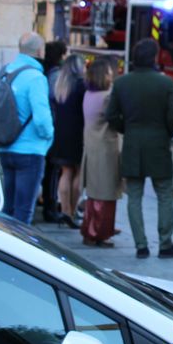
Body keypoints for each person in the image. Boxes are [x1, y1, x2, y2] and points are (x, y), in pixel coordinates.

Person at [106, 36, 173, 258]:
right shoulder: (166, 83)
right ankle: (165, 242)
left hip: (133, 144)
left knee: (134, 196)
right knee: (164, 194)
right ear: (155, 57)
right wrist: (166, 134)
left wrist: (127, 129)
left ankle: (141, 244)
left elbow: (111, 115)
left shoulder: (122, 83)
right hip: (159, 144)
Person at [0, 32, 55, 224]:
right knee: (23, 211)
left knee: (8, 207)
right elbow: (42, 119)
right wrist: (49, 137)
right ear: (40, 51)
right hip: (30, 150)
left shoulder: (4, 72)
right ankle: (15, 251)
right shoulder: (35, 78)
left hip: (6, 147)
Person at [79, 56, 123, 247]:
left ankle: (91, 227)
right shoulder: (107, 97)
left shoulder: (88, 94)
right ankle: (98, 231)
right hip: (106, 147)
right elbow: (117, 118)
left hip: (91, 145)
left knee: (94, 193)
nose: (111, 75)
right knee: (105, 194)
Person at [48, 53, 87, 227]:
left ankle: (64, 210)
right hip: (78, 132)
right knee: (79, 172)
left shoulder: (60, 85)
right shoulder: (82, 86)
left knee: (65, 172)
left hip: (61, 132)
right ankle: (72, 211)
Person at [38, 39, 68, 222]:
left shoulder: (44, 71)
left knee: (50, 169)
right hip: (54, 126)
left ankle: (48, 203)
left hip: (49, 125)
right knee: (53, 170)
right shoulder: (56, 75)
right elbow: (57, 97)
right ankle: (50, 207)